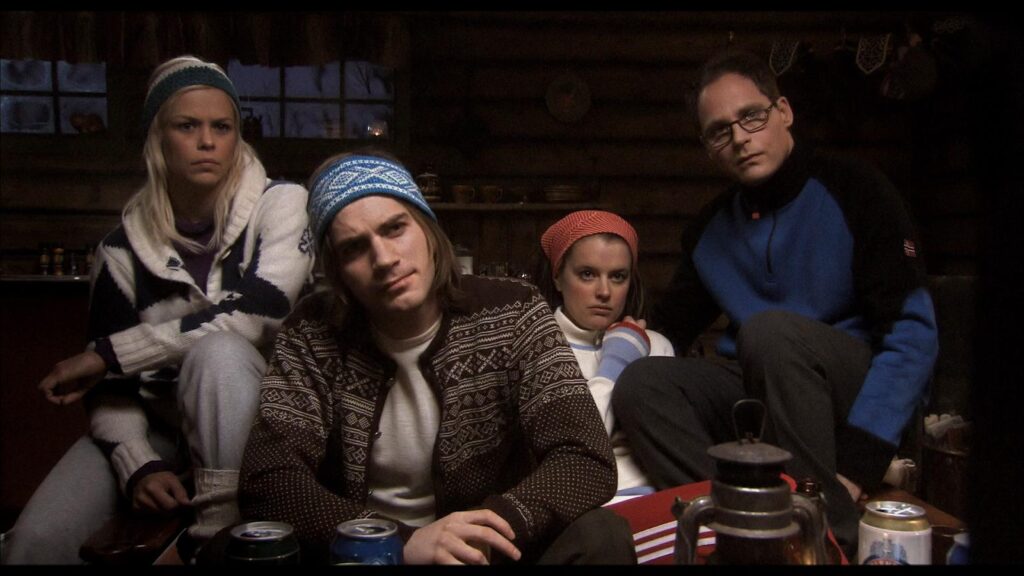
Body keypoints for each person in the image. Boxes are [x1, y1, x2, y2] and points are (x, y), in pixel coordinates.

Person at [611, 49, 939, 559]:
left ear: (783, 112)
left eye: (751, 117)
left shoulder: (858, 191)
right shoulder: (711, 228)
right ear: (709, 149)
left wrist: (857, 466)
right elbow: (666, 329)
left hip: (853, 391)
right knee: (643, 383)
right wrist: (602, 348)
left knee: (769, 334)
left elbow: (914, 335)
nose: (740, 138)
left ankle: (826, 534)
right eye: (719, 132)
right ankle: (741, 521)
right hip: (765, 385)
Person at [238, 151, 634, 565]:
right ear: (337, 271)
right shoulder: (312, 333)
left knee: (602, 533)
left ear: (427, 228)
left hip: (489, 551)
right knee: (227, 548)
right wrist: (400, 542)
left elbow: (585, 457)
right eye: (354, 248)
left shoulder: (514, 311)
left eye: (395, 228)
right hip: (368, 555)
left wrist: (485, 530)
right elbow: (268, 479)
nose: (384, 259)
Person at [2, 55, 314, 564]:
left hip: (261, 419)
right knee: (33, 544)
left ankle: (216, 544)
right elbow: (110, 389)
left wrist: (109, 353)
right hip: (160, 425)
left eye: (222, 127)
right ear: (157, 138)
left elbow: (261, 312)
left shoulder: (282, 204)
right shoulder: (120, 252)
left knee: (218, 353)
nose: (207, 141)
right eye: (187, 126)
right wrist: (139, 465)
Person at [535, 210, 674, 504]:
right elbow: (573, 447)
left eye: (618, 277)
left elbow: (669, 447)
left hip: (659, 501)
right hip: (583, 507)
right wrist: (616, 362)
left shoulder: (656, 345)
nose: (604, 291)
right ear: (558, 277)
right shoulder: (538, 347)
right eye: (587, 274)